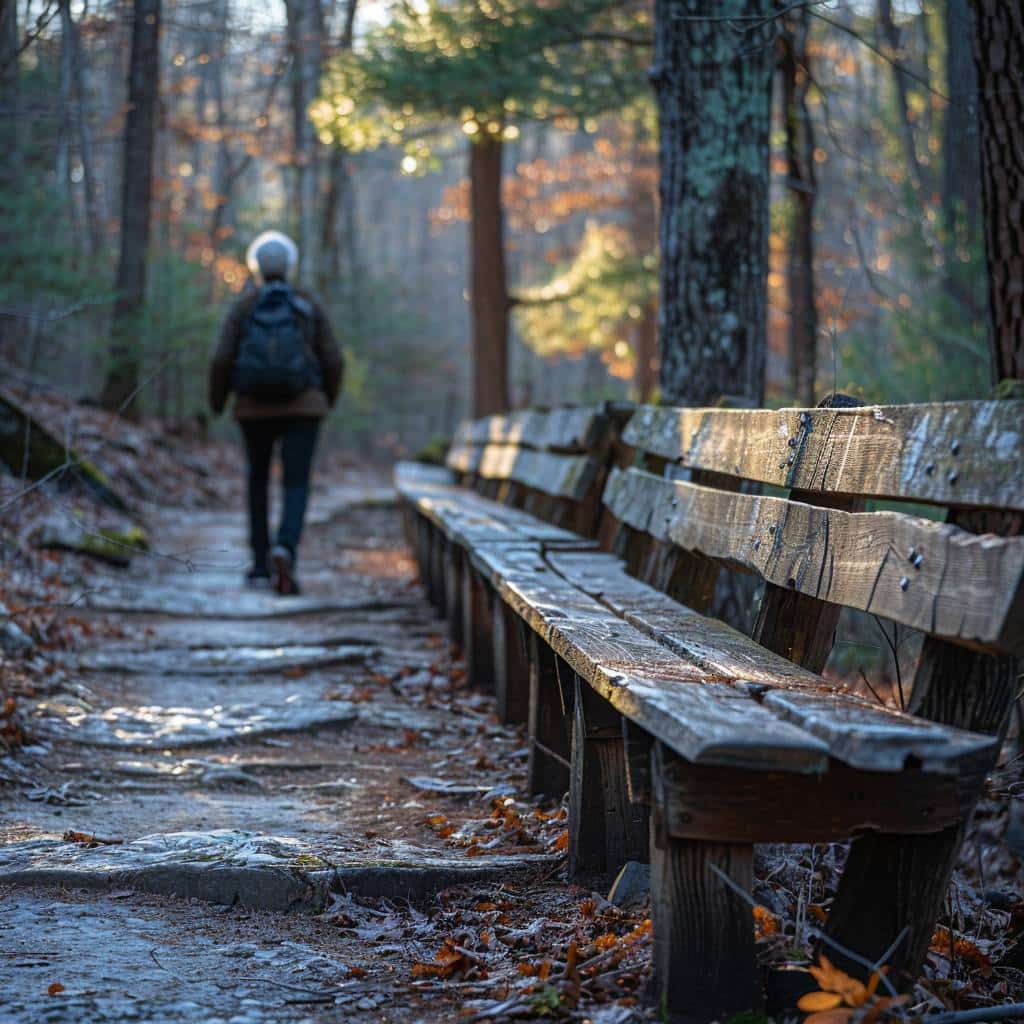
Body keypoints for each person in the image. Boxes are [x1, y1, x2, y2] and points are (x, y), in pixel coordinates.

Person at [209, 231, 343, 595]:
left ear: (256, 267)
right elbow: (333, 357)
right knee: (296, 483)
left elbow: (222, 357)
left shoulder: (245, 306)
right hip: (304, 406)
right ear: (289, 265)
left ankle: (258, 564)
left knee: (257, 482)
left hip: (253, 408)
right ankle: (286, 549)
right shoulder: (307, 303)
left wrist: (218, 402)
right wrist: (325, 399)